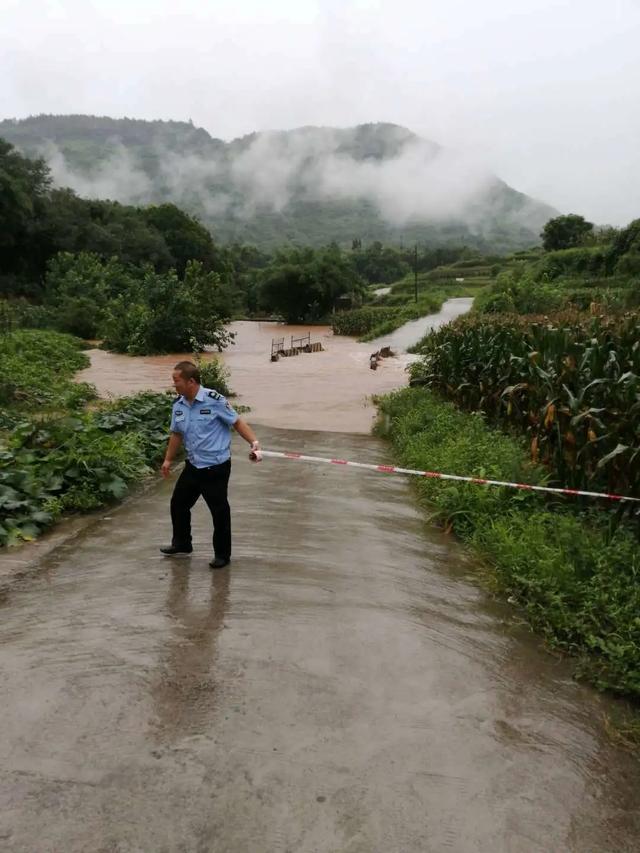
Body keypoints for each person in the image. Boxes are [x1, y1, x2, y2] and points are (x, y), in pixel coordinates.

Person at [159, 361, 261, 569]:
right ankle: (182, 543)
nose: (174, 385)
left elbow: (236, 422)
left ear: (191, 381)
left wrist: (254, 443)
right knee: (178, 504)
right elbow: (176, 434)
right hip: (193, 465)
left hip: (215, 467)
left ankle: (222, 555)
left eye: (176, 381)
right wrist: (168, 459)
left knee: (219, 510)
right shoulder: (178, 405)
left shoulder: (214, 400)